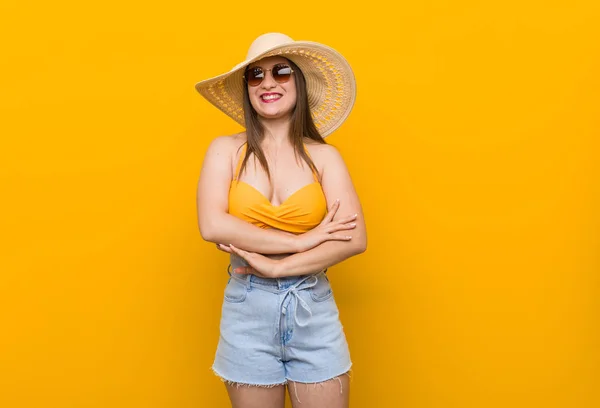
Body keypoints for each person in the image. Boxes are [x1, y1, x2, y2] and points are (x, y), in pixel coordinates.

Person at [195, 32, 367, 408]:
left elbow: (354, 239)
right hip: (246, 309)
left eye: (281, 71)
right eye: (255, 75)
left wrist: (279, 269)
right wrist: (300, 241)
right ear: (247, 89)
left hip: (311, 304)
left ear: (299, 83)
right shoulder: (225, 149)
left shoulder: (324, 157)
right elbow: (212, 225)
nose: (267, 83)